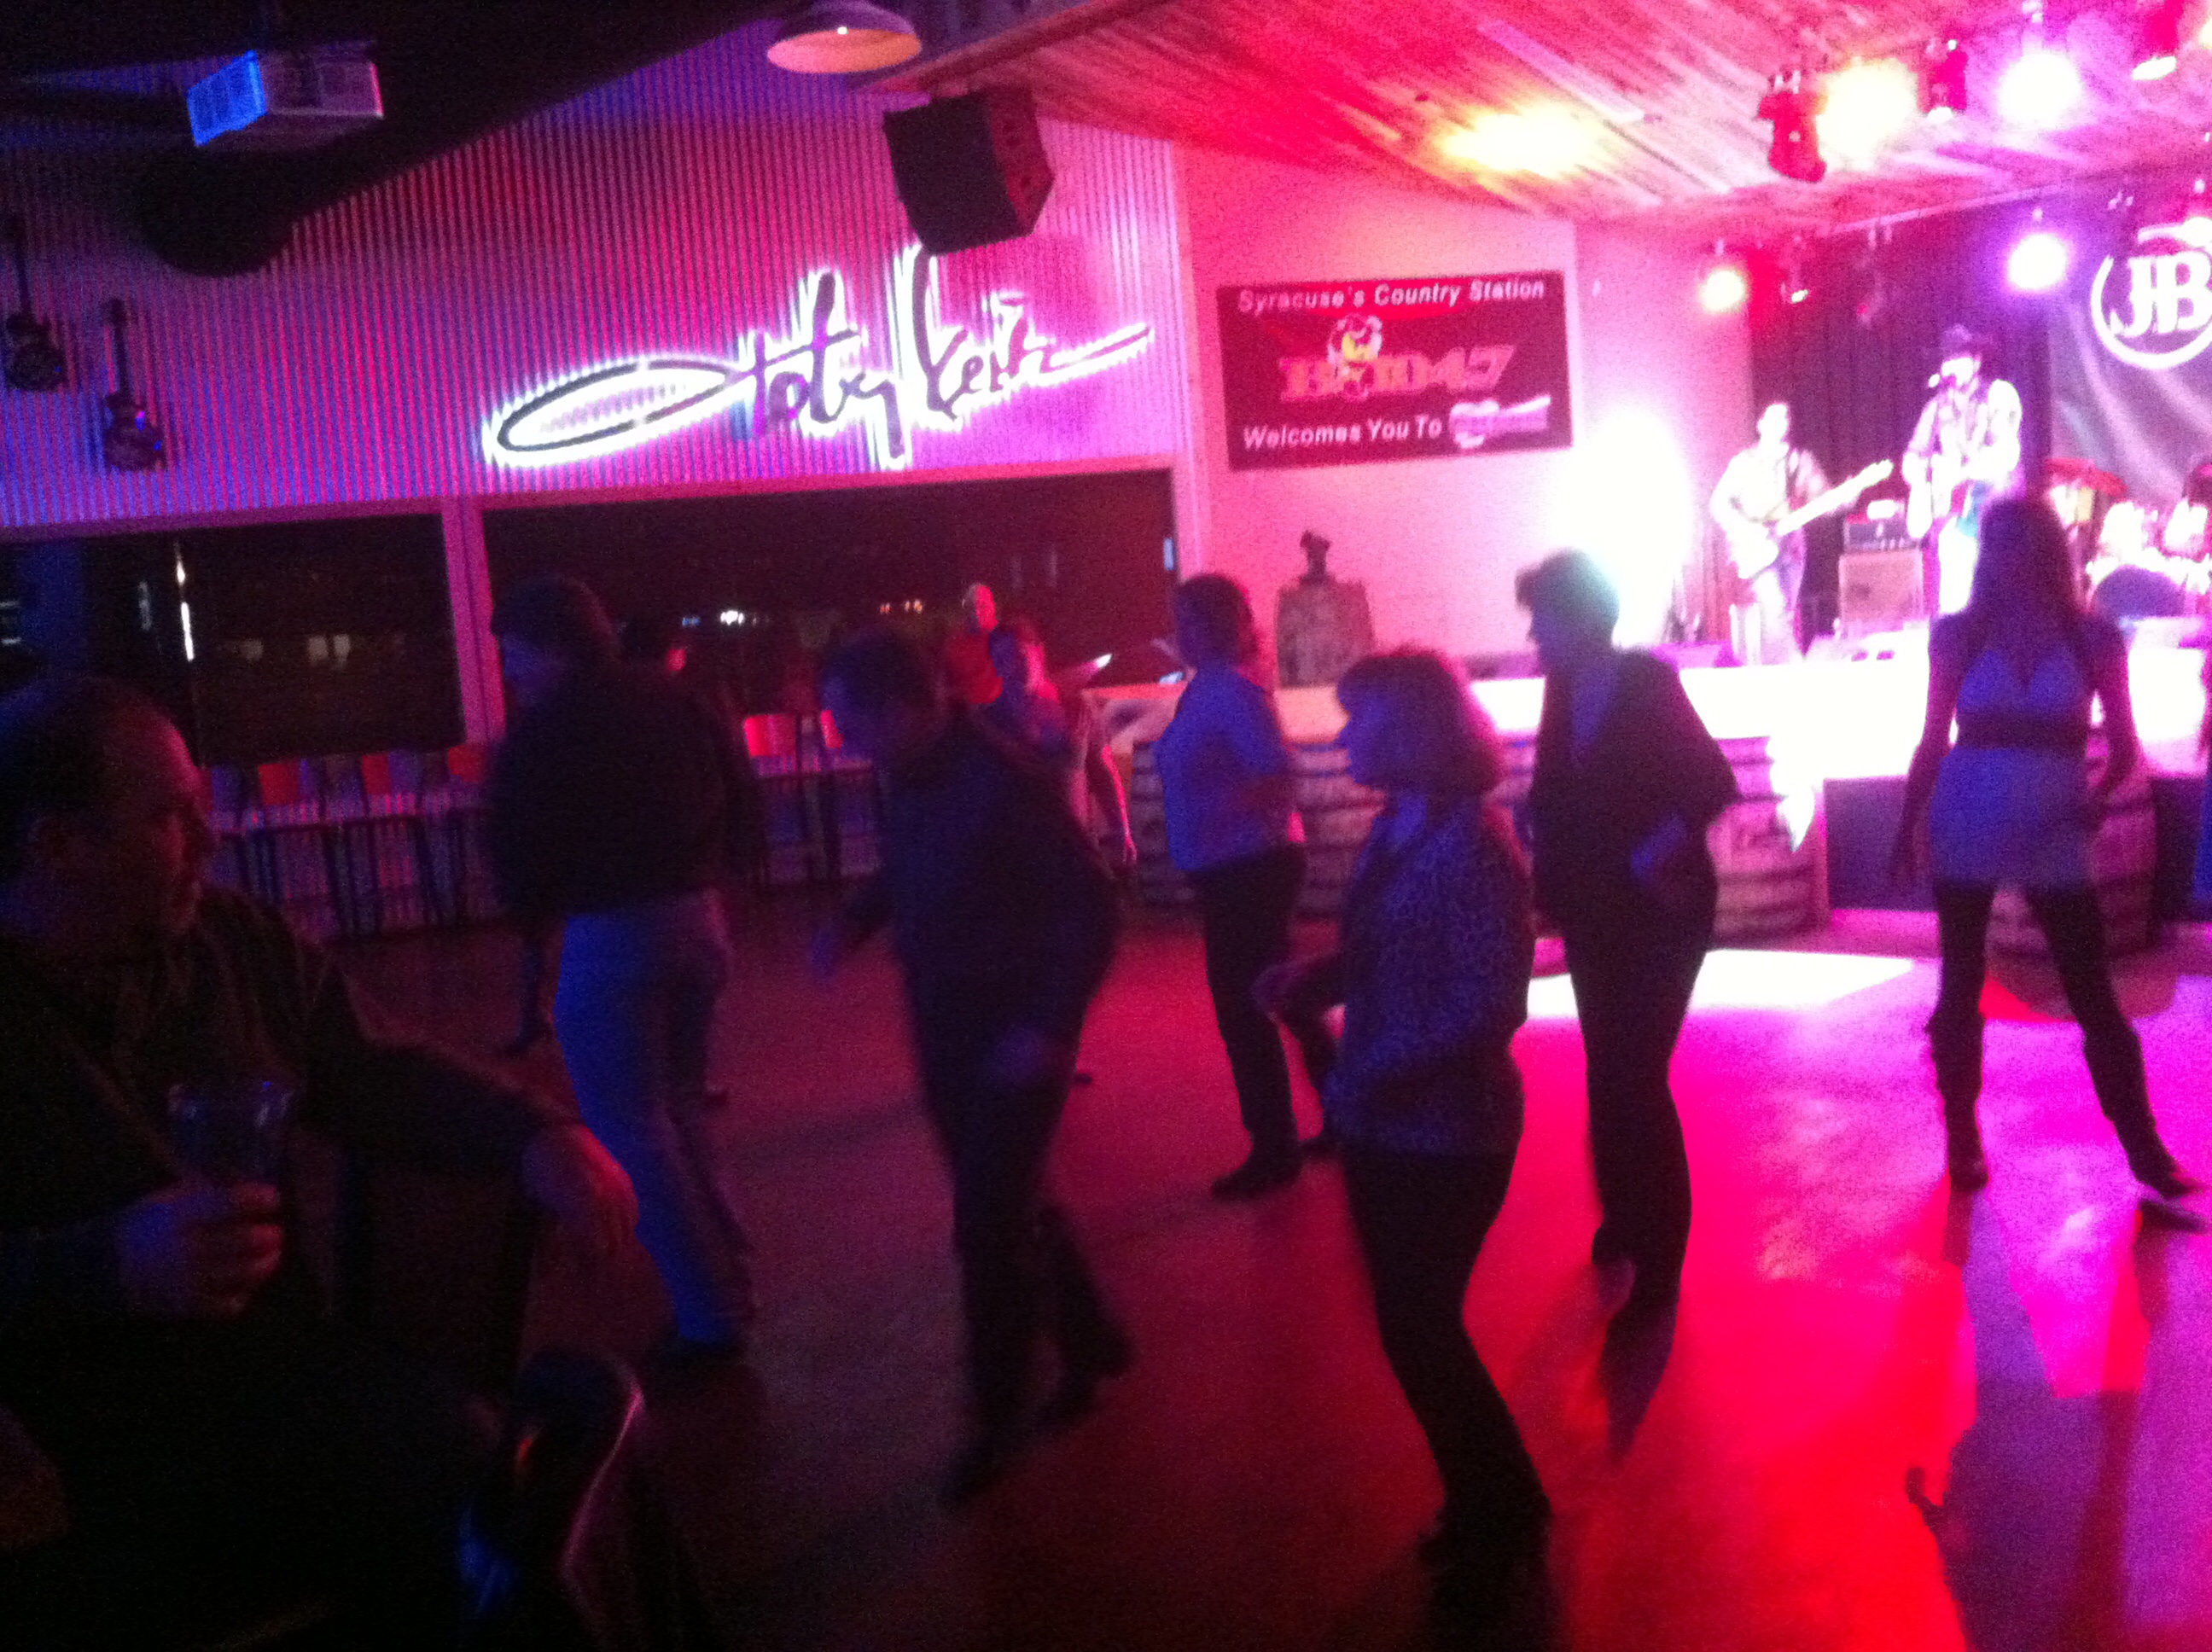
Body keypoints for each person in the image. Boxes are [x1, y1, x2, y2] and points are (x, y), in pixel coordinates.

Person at [0, 676, 636, 1643]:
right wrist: (107, 1266)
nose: (211, 841)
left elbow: (376, 1068)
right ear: (57, 846)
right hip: (79, 1441)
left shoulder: (233, 944)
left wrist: (535, 1133)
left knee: (528, 1480)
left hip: (275, 1381)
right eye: (169, 817)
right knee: (472, 1491)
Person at [1255, 650, 1550, 1609]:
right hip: (1390, 1122)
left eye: (1362, 720)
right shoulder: (1403, 824)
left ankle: (1505, 1513)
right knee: (1416, 1328)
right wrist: (1318, 979)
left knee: (1421, 1328)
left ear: (1412, 731)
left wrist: (1378, 1068)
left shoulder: (1473, 848)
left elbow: (1490, 1006)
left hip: (1449, 1131)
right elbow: (1383, 953)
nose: (1345, 737)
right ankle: (1490, 1502)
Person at [811, 626, 1129, 1501]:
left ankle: (998, 1416)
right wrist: (857, 918)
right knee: (1009, 1198)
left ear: (898, 707)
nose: (845, 739)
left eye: (849, 721)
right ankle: (1091, 1342)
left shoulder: (1002, 777)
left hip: (1010, 1028)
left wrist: (1048, 1025)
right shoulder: (920, 769)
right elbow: (912, 865)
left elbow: (1092, 906)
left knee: (987, 1221)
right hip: (951, 1019)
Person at [1889, 497, 2198, 1200]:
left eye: (2018, 540)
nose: (2003, 553)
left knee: (2091, 989)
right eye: (1995, 541)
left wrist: (2096, 799)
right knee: (1961, 981)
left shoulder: (2094, 637)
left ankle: (2145, 1148)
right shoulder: (1957, 635)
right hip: (1968, 810)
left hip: (2053, 822)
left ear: (2048, 548)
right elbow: (1933, 738)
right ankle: (1963, 1137)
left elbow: (2125, 749)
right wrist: (1909, 821)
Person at [486, 575, 757, 1357]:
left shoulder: (544, 731)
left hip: (612, 935)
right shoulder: (680, 698)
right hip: (699, 920)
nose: (513, 673)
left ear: (551, 646)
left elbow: (517, 847)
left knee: (630, 1125)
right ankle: (732, 1276)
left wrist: (534, 923)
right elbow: (742, 793)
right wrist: (723, 875)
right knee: (680, 1109)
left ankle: (711, 1313)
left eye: (515, 654)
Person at [1518, 551, 1738, 1316]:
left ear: (1580, 618)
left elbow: (1711, 782)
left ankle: (1659, 1256)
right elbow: (1562, 790)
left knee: (1632, 1074)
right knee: (1611, 1068)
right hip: (1600, 904)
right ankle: (1626, 1216)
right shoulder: (1563, 687)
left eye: (1542, 618)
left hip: (1661, 905)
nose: (1533, 634)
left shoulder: (1645, 682)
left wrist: (1652, 851)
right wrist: (1540, 830)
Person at [1154, 574, 1314, 1198]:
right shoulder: (1210, 688)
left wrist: (1218, 812)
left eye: (1187, 622)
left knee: (1245, 1008)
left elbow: (1279, 776)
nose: (1178, 632)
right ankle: (1339, 1114)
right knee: (1280, 995)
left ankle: (1276, 1150)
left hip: (1251, 868)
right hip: (1238, 867)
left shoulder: (1231, 692)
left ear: (1213, 626)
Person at [981, 616, 1137, 873]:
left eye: (1018, 656)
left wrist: (1122, 831)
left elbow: (1103, 774)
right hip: (1015, 857)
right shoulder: (988, 722)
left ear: (1039, 652)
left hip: (1076, 851)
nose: (1012, 667)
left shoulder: (1074, 708)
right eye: (1002, 660)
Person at [1905, 323, 2024, 619]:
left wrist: (1959, 473)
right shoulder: (1936, 406)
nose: (1951, 366)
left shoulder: (1999, 395)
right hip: (1956, 515)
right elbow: (1912, 457)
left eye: (1958, 358)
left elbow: (2005, 454)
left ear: (1976, 361)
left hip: (1997, 507)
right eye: (1946, 360)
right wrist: (1924, 479)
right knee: (1955, 597)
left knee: (2001, 592)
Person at [1709, 400, 1831, 665]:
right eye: (1774, 418)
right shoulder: (1744, 463)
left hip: (1791, 544)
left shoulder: (1799, 460)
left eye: (1785, 418)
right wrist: (1748, 529)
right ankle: (1791, 663)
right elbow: (1719, 503)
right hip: (1757, 545)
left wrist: (1841, 499)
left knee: (1784, 611)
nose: (1780, 424)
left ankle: (1773, 666)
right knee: (1773, 605)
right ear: (1761, 424)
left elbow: (1820, 494)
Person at [941, 582, 1003, 709]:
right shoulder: (955, 642)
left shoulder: (1006, 638)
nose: (977, 613)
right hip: (965, 710)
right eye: (972, 607)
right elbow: (945, 681)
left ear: (993, 607)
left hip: (1000, 709)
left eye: (983, 606)